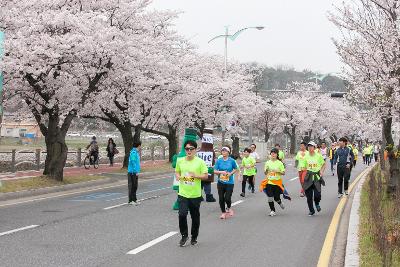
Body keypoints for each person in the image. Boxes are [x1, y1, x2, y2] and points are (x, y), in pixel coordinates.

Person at [175, 140, 209, 247]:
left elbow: (206, 176)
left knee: (195, 217)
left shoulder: (200, 162)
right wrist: (178, 176)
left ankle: (194, 237)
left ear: (195, 150)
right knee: (182, 214)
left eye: (191, 149)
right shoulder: (180, 161)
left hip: (195, 194)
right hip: (183, 193)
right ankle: (184, 235)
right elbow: (177, 171)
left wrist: (196, 175)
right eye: (187, 149)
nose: (189, 151)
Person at [214, 146, 239, 219]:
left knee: (227, 198)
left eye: (225, 151)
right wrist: (221, 172)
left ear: (228, 152)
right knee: (221, 198)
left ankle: (228, 207)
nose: (223, 152)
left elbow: (235, 169)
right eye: (222, 151)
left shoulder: (232, 160)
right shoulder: (219, 161)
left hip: (229, 182)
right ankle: (223, 213)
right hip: (220, 182)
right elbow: (214, 171)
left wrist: (230, 174)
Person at [303, 141, 326, 216]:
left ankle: (317, 203)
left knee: (317, 195)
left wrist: (321, 171)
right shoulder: (306, 156)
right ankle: (311, 210)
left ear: (314, 147)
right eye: (308, 146)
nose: (310, 148)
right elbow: (303, 166)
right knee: (309, 196)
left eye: (311, 146)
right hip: (308, 177)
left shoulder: (318, 156)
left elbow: (323, 164)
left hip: (316, 177)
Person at [261, 148, 286, 217]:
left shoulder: (280, 163)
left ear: (277, 154)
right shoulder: (267, 163)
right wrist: (266, 170)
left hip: (277, 183)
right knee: (270, 197)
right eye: (272, 153)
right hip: (269, 182)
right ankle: (272, 210)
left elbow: (283, 173)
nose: (273, 154)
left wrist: (278, 171)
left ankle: (280, 202)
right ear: (270, 154)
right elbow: (265, 173)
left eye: (274, 153)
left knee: (276, 198)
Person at [127, 141, 142, 205]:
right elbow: (133, 162)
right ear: (138, 146)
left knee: (135, 186)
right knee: (132, 186)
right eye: (140, 146)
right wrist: (136, 171)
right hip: (132, 172)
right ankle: (131, 201)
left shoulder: (136, 152)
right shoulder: (133, 152)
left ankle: (135, 200)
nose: (140, 147)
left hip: (135, 172)